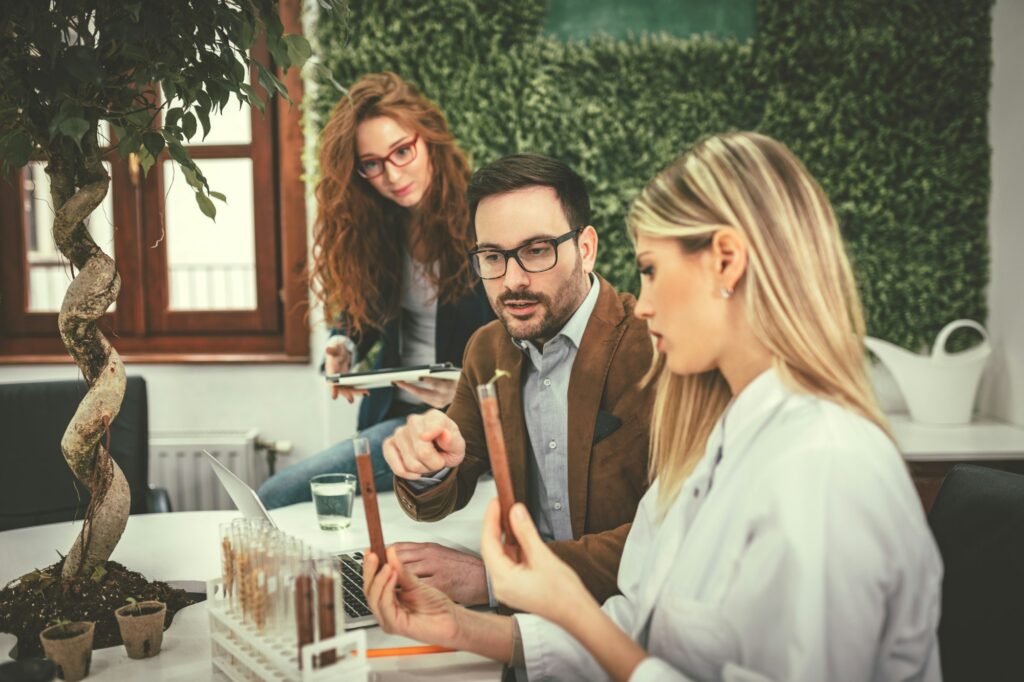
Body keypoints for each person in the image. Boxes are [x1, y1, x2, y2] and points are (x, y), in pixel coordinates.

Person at [363, 132, 944, 681]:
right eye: (493, 255)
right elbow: (635, 624)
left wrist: (530, 591)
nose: (638, 303)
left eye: (650, 270)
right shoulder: (720, 437)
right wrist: (460, 626)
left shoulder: (824, 469)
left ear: (726, 261)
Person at [381, 154, 654, 606]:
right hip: (527, 621)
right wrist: (427, 466)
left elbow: (671, 538)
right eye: (492, 256)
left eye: (536, 250)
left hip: (631, 619)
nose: (512, 280)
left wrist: (495, 579)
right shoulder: (487, 349)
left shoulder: (652, 346)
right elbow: (442, 498)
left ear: (585, 248)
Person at [258, 72, 494, 508]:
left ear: (428, 140)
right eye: (372, 164)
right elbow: (362, 308)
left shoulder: (483, 220)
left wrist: (464, 390)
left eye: (402, 151)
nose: (392, 174)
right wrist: (342, 342)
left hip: (453, 424)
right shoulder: (381, 225)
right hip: (388, 416)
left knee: (276, 495)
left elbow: (519, 341)